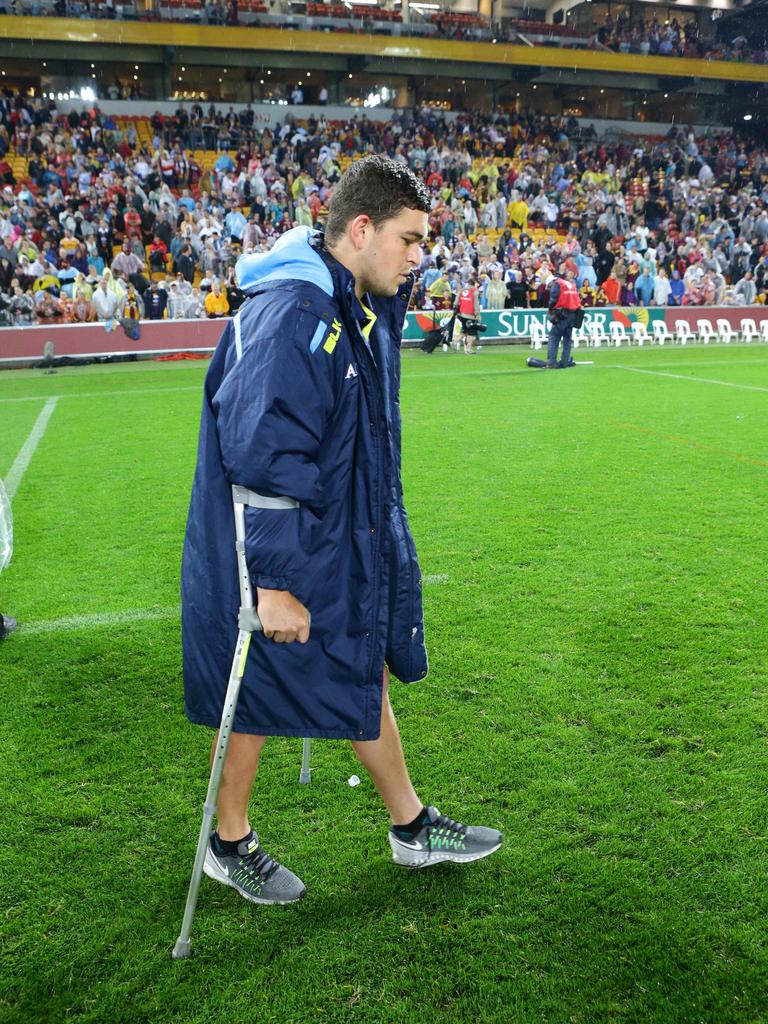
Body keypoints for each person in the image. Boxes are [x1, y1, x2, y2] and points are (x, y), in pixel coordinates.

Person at [181, 156, 503, 907]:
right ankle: (231, 842)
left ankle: (408, 825)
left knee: (357, 665)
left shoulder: (340, 295)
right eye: (410, 239)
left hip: (330, 533)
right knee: (266, 679)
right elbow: (264, 451)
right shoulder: (297, 313)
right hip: (286, 549)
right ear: (361, 229)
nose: (420, 256)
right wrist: (277, 583)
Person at [546, 264, 582, 369]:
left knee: (554, 337)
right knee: (567, 339)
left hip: (562, 314)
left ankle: (552, 362)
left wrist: (551, 311)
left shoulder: (557, 284)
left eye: (549, 286)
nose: (549, 288)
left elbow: (553, 300)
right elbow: (578, 299)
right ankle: (564, 362)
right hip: (573, 314)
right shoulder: (571, 285)